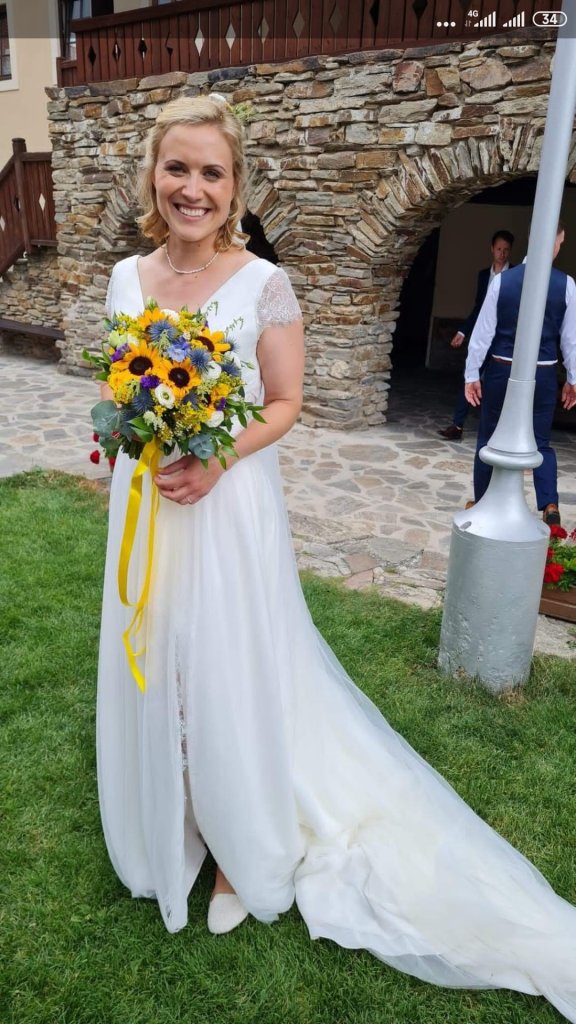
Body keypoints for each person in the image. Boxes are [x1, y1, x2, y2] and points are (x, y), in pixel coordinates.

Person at [97, 95, 576, 1021]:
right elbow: (123, 385)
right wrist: (139, 435)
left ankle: (240, 842)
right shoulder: (126, 277)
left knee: (229, 660)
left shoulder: (262, 283)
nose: (192, 188)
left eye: (211, 172)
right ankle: (172, 807)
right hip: (147, 503)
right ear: (153, 174)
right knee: (158, 647)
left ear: (235, 186)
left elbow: (283, 403)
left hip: (228, 503)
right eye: (177, 168)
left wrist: (216, 456)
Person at [464, 223, 576, 525]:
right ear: (553, 241)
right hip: (543, 372)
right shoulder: (566, 284)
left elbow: (483, 332)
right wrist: (573, 379)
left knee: (488, 435)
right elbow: (571, 340)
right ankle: (549, 503)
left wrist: (472, 373)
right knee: (540, 439)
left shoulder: (503, 280)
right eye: (560, 242)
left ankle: (482, 498)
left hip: (502, 368)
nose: (558, 248)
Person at [438, 230, 514, 441]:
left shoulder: (515, 275)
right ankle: (457, 425)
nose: (502, 254)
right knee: (470, 375)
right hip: (483, 336)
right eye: (499, 249)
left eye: (506, 250)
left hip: (504, 339)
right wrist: (463, 331)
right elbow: (479, 308)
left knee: (498, 383)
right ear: (492, 249)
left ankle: (498, 430)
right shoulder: (483, 276)